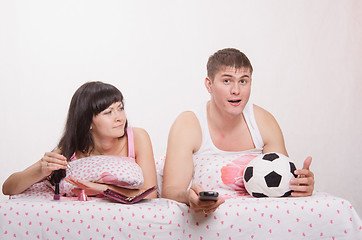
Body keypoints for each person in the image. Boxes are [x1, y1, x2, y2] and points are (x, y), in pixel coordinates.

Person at [162, 48, 315, 214]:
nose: (236, 90)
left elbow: (282, 181)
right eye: (227, 81)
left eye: (243, 81)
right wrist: (188, 197)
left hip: (256, 217)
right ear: (209, 85)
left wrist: (300, 185)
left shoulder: (264, 122)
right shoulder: (188, 124)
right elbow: (170, 191)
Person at [2, 81, 157, 199]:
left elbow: (150, 194)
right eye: (108, 112)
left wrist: (102, 189)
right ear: (88, 122)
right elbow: (8, 188)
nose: (119, 118)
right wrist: (40, 171)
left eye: (120, 108)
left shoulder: (137, 137)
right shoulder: (71, 150)